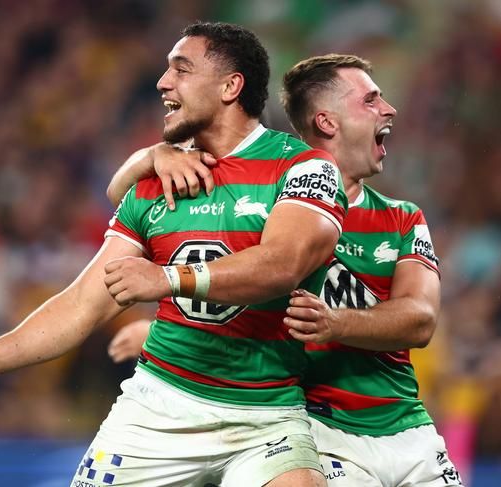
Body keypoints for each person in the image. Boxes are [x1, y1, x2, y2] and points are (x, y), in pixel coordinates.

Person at [0, 22, 348, 487]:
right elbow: (85, 301)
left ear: (231, 86)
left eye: (181, 70)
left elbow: (284, 263)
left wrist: (169, 278)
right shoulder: (153, 183)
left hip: (265, 415)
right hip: (158, 407)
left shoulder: (303, 168)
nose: (163, 83)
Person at [106, 54, 462, 486]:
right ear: (328, 122)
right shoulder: (269, 196)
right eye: (371, 100)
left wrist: (335, 322)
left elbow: (420, 321)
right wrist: (153, 155)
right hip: (314, 432)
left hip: (408, 429)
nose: (389, 109)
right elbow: (131, 203)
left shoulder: (402, 217)